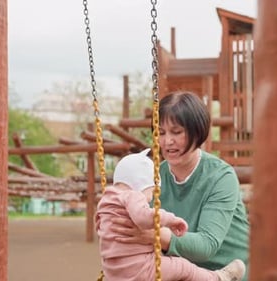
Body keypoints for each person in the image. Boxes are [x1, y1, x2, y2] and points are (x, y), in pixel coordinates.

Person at [110, 91, 251, 280]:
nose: (167, 141)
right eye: (160, 133)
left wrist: (156, 235)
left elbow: (206, 245)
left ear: (197, 132)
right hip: (183, 273)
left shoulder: (220, 177)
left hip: (229, 271)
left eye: (176, 132)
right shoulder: (153, 177)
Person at [95, 148, 246, 281]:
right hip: (142, 267)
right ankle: (217, 278)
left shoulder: (106, 200)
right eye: (161, 132)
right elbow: (144, 216)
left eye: (177, 132)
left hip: (114, 271)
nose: (151, 196)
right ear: (141, 183)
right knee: (182, 267)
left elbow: (99, 224)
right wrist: (170, 221)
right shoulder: (132, 195)